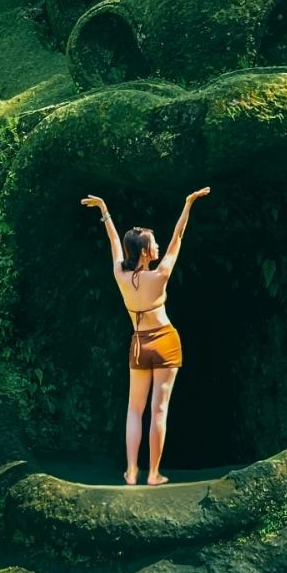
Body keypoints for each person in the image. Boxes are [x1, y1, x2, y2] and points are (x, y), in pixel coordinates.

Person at [80, 187, 210, 485]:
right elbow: (178, 237)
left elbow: (114, 240)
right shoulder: (160, 274)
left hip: (139, 344)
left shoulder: (120, 275)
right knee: (159, 409)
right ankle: (153, 474)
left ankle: (131, 471)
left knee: (134, 409)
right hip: (165, 340)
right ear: (144, 251)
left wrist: (104, 209)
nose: (159, 246)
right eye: (153, 244)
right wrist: (188, 204)